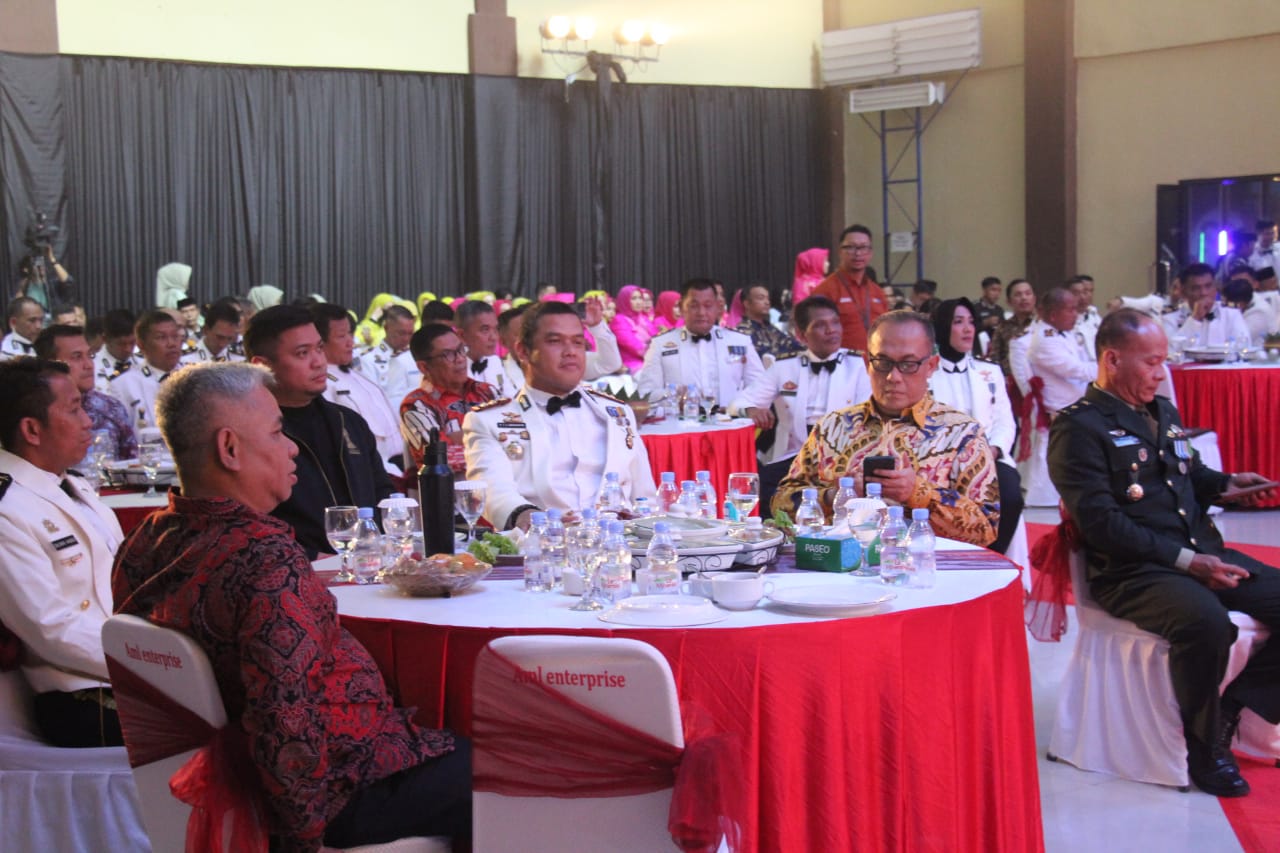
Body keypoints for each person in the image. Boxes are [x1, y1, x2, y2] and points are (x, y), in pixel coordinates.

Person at [112, 362, 470, 849]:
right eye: (278, 432)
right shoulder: (263, 558)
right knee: (510, 767)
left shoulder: (143, 543)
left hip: (232, 774)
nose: (292, 447)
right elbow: (283, 721)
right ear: (230, 449)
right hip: (342, 792)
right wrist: (304, 838)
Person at [1048, 309, 1280, 798]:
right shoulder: (1078, 428)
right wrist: (1188, 564)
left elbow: (1187, 476)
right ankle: (1204, 749)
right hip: (1133, 572)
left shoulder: (1163, 411)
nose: (1161, 373)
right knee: (1207, 623)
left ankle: (1234, 708)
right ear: (1112, 360)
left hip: (1199, 552)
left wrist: (1228, 484)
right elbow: (1102, 524)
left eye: (1163, 361)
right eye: (1151, 362)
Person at [773, 310, 1000, 547]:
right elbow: (780, 503)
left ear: (931, 366)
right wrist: (834, 496)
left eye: (908, 364)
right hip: (839, 564)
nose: (893, 377)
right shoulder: (832, 428)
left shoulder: (961, 434)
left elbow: (986, 528)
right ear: (866, 363)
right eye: (882, 362)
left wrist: (918, 493)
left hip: (927, 564)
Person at [0, 359, 125, 747]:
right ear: (32, 430)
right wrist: (146, 662)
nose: (89, 422)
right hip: (77, 695)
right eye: (73, 410)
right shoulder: (7, 509)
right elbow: (50, 627)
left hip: (126, 673)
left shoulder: (74, 487)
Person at [464, 301, 656, 530]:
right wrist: (525, 516)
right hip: (542, 544)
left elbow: (645, 496)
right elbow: (493, 489)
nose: (570, 351)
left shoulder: (617, 413)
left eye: (578, 342)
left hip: (619, 543)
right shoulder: (489, 421)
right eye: (555, 341)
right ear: (523, 351)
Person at [245, 305, 392, 558]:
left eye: (319, 348)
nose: (319, 362)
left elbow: (381, 493)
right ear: (262, 365)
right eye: (302, 353)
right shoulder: (250, 434)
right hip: (293, 570)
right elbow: (248, 524)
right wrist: (311, 557)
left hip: (368, 566)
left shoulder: (348, 422)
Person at [729, 296, 872, 512]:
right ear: (801, 334)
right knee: (760, 484)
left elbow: (866, 416)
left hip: (841, 456)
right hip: (795, 456)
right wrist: (751, 409)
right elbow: (737, 403)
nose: (831, 330)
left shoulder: (857, 365)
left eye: (835, 323)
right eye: (820, 325)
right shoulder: (785, 366)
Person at [928, 299, 1023, 554]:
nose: (968, 329)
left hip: (988, 457)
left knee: (1010, 495)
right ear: (942, 326)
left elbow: (1005, 421)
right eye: (958, 322)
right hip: (941, 460)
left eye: (971, 322)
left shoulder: (989, 371)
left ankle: (994, 556)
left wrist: (994, 450)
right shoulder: (926, 374)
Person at [635, 278, 767, 419]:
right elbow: (645, 394)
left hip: (731, 424)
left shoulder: (739, 341)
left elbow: (760, 388)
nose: (701, 312)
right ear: (681, 307)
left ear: (718, 308)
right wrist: (673, 396)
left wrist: (743, 408)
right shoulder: (661, 344)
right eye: (693, 306)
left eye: (708, 306)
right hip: (681, 426)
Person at [313, 303, 405, 476]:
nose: (351, 342)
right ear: (320, 343)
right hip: (374, 472)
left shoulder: (357, 375)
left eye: (350, 333)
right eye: (341, 336)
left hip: (398, 468)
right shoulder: (323, 385)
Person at [402, 323, 498, 475]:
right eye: (447, 355)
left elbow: (517, 444)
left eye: (461, 350)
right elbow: (440, 460)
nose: (460, 359)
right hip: (449, 488)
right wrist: (491, 441)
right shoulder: (416, 405)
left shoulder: (487, 391)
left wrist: (459, 438)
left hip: (499, 483)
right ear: (424, 367)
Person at [35, 325, 137, 461]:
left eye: (89, 355)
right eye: (77, 357)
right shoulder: (38, 411)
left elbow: (132, 464)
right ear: (50, 364)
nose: (88, 365)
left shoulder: (111, 408)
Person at [811, 225, 891, 352]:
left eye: (863, 247)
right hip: (840, 362)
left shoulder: (877, 292)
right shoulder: (825, 290)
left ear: (870, 252)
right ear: (840, 251)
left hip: (875, 360)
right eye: (851, 247)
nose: (858, 253)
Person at [108, 310, 185, 432]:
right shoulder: (124, 384)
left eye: (175, 336)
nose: (171, 344)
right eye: (161, 337)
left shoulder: (197, 376)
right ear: (141, 345)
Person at [1170, 263, 1251, 348]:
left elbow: (1244, 346)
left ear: (1216, 288)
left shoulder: (1231, 314)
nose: (1203, 293)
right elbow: (1172, 350)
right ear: (1184, 292)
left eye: (1208, 286)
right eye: (1196, 288)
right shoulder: (1171, 317)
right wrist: (1195, 319)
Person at [360, 304, 419, 410]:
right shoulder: (368, 360)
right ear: (386, 328)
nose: (406, 338)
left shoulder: (415, 357)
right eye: (401, 333)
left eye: (410, 333)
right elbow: (370, 399)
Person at [733, 282, 802, 364]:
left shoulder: (770, 328)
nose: (767, 302)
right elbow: (759, 356)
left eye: (768, 299)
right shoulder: (742, 331)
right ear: (747, 304)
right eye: (761, 298)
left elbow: (792, 344)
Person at [987, 278, 1036, 376]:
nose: (1024, 298)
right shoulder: (1003, 327)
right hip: (1009, 379)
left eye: (1028, 293)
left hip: (1038, 378)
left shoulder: (1042, 323)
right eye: (1018, 295)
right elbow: (994, 358)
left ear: (1034, 299)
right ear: (1009, 302)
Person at [179, 299, 244, 365]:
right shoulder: (184, 359)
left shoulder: (240, 359)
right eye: (219, 337)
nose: (222, 344)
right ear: (206, 330)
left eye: (229, 338)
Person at [15, 245, 75, 314]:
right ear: (26, 269)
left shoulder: (52, 284)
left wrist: (52, 259)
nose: (40, 267)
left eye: (42, 264)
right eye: (35, 264)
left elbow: (68, 282)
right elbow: (18, 308)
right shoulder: (24, 287)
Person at [610, 284, 657, 372]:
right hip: (632, 365)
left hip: (651, 360)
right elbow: (636, 347)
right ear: (624, 301)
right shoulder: (619, 320)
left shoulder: (643, 319)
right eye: (634, 298)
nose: (639, 302)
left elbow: (657, 338)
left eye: (640, 298)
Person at [93, 309, 139, 392]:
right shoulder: (93, 366)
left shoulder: (143, 362)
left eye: (132, 342)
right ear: (105, 339)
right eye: (121, 344)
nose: (128, 349)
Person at [1068, 275, 1101, 355]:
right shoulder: (1064, 321)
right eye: (1085, 291)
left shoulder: (1094, 316)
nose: (1087, 295)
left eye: (1091, 291)